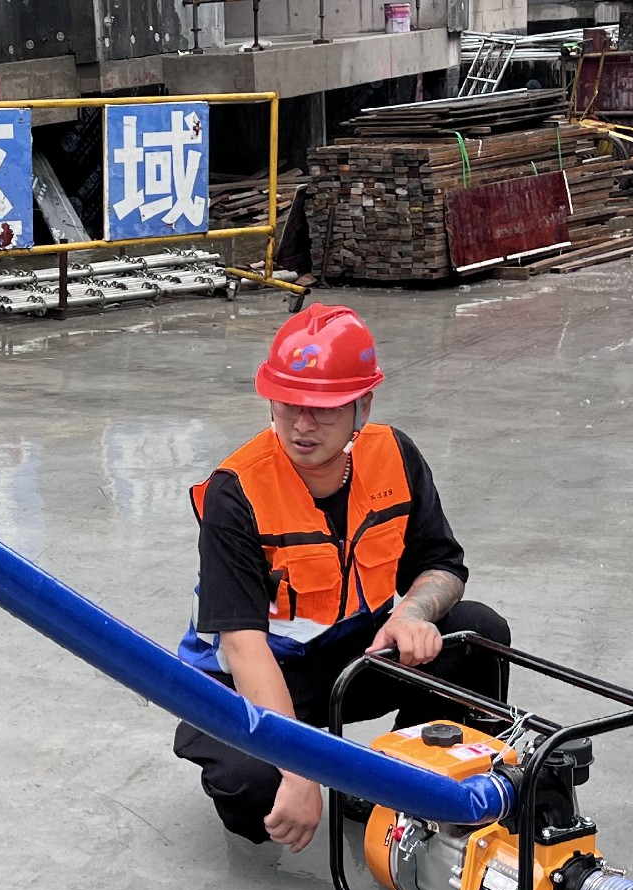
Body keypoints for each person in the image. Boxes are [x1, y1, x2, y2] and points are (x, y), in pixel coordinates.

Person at [173, 304, 510, 851]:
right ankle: (300, 769)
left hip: (352, 654)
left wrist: (411, 614)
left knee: (477, 634)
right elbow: (242, 644)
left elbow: (442, 565)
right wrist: (298, 770)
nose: (302, 425)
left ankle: (403, 786)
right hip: (247, 677)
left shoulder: (394, 456)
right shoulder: (237, 492)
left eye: (324, 409)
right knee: (256, 794)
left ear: (362, 406)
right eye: (289, 403)